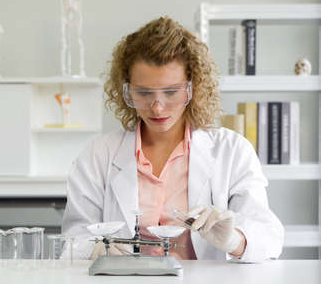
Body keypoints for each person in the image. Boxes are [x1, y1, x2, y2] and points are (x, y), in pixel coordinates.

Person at [62, 16, 284, 262]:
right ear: (126, 90)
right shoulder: (98, 155)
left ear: (193, 88)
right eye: (144, 93)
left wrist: (235, 240)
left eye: (171, 92)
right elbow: (73, 239)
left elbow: (269, 238)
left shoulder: (232, 151)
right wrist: (94, 250)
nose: (157, 107)